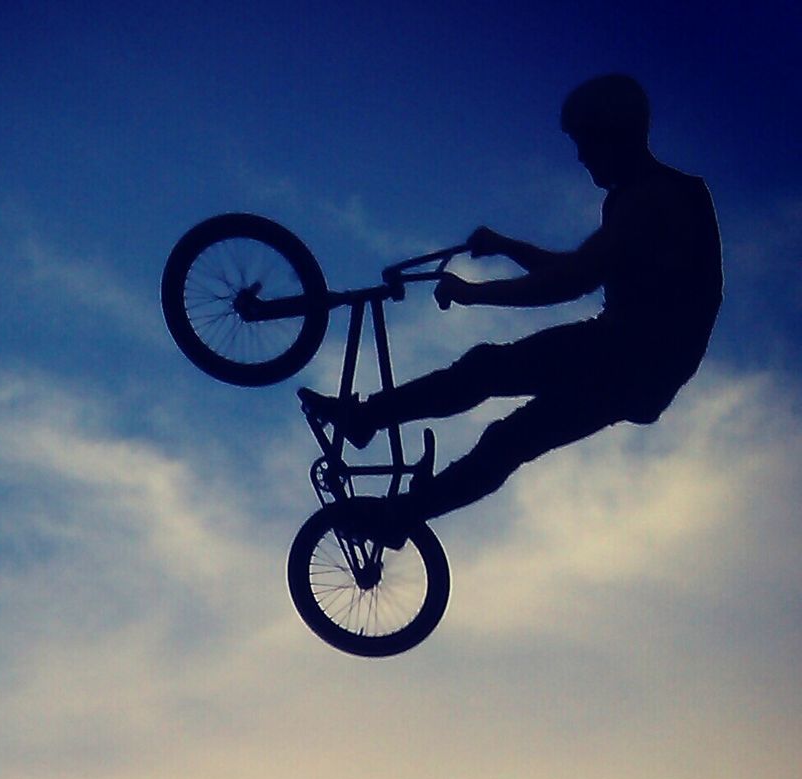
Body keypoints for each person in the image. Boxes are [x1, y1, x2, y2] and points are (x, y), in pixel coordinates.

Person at [298, 74, 722, 541]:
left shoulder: (658, 199)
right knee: (493, 387)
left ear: (613, 133)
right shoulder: (637, 199)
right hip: (627, 353)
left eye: (585, 142)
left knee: (507, 429)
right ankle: (375, 446)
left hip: (633, 360)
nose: (580, 156)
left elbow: (572, 281)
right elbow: (580, 267)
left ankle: (391, 487)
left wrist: (474, 293)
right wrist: (504, 245)